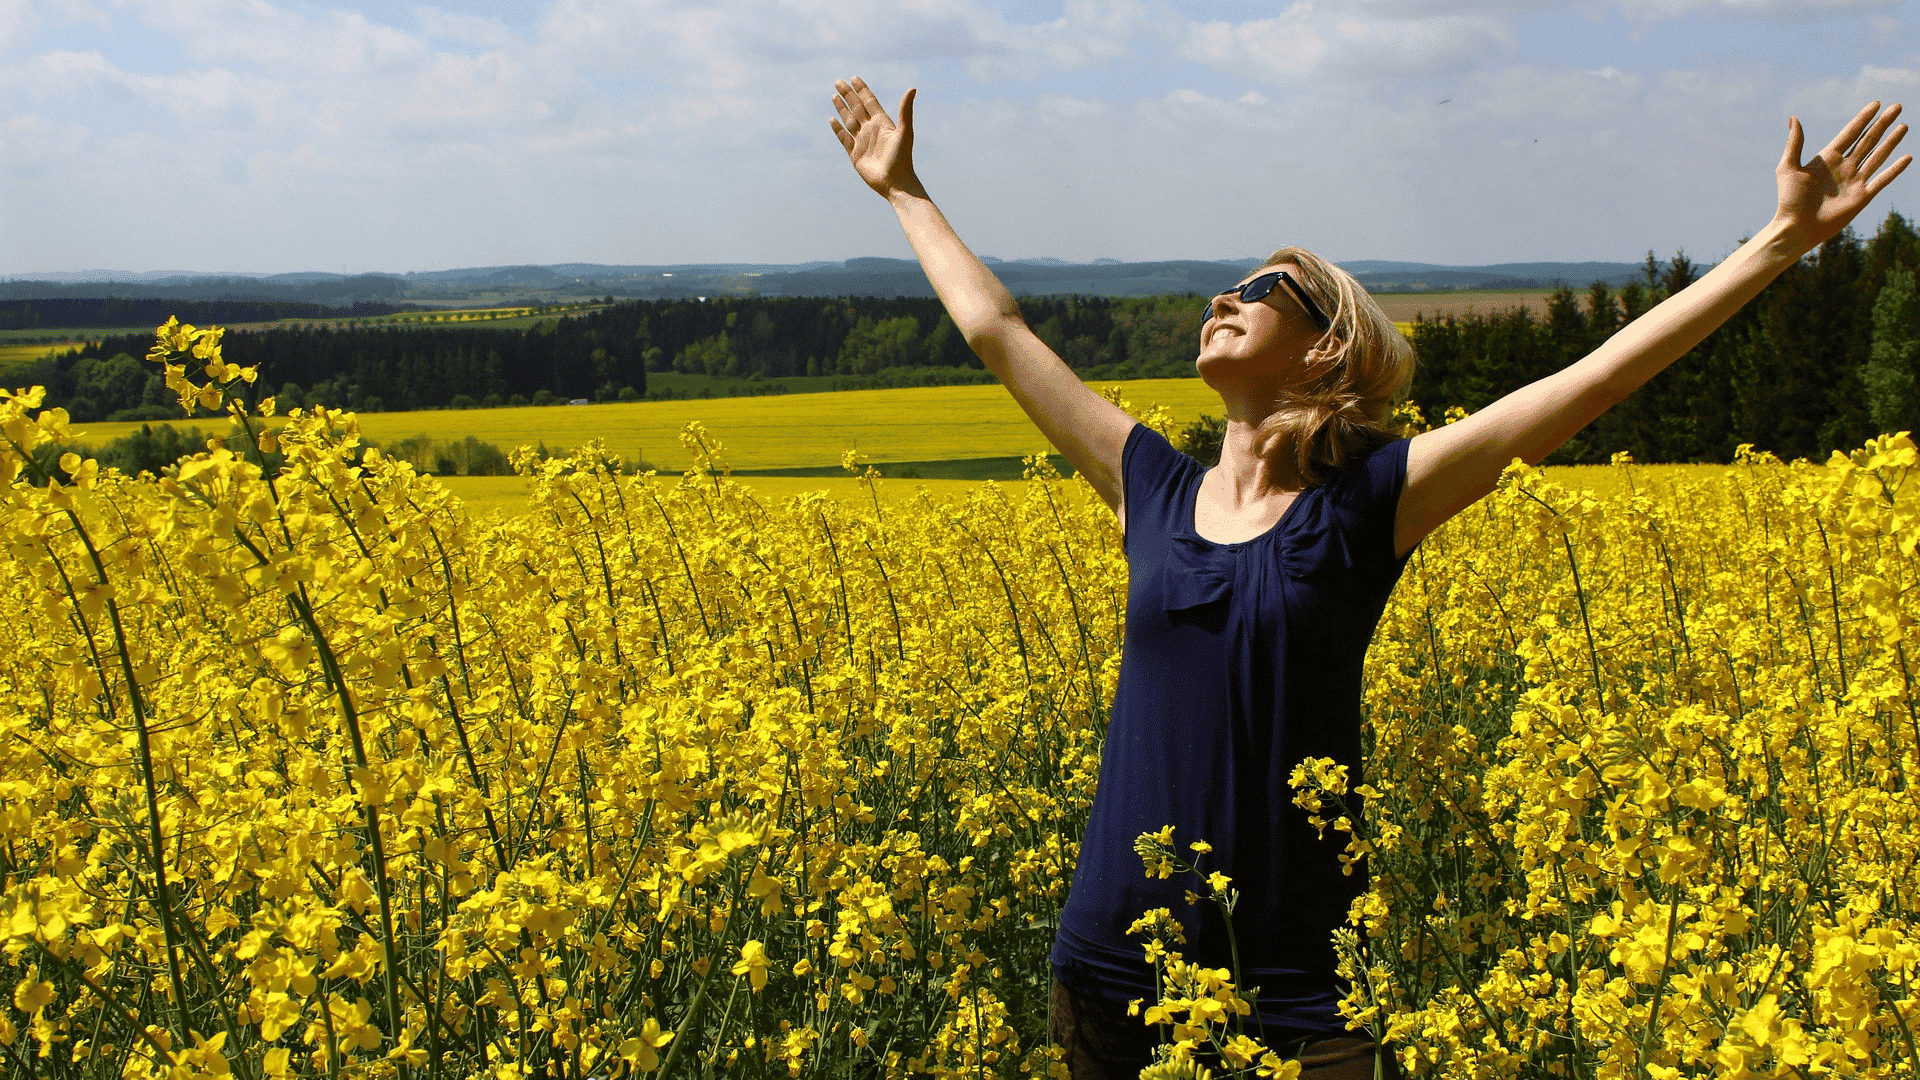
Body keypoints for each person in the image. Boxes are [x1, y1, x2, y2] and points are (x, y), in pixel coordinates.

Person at [829, 76, 1909, 1079]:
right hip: (1114, 973)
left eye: (1266, 289)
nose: (1226, 294)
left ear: (1326, 350)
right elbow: (996, 329)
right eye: (1227, 283)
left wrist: (1779, 243)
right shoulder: (1147, 487)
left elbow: (1585, 384)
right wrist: (905, 190)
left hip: (1298, 994)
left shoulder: (1367, 504)